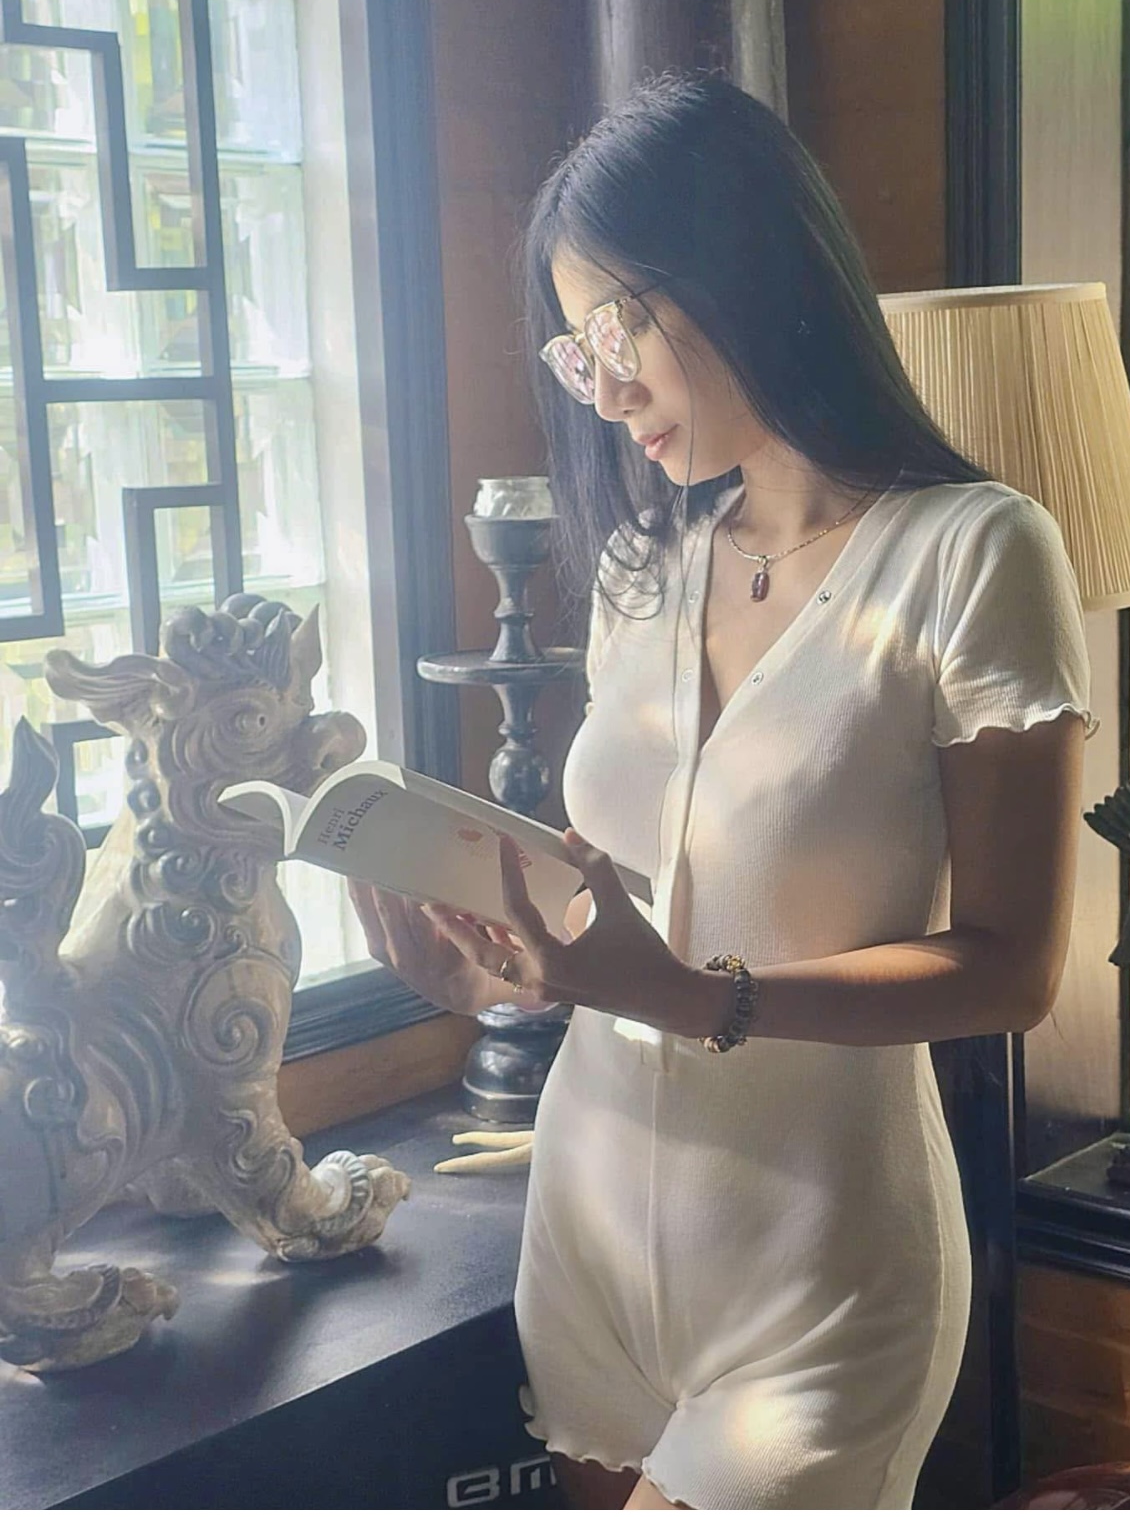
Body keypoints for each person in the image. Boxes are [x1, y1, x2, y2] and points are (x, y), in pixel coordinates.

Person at [350, 74, 1090, 1511]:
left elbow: (1014, 968)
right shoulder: (646, 564)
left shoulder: (975, 553)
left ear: (743, 268)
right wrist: (497, 970)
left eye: (617, 330)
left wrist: (700, 997)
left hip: (823, 1273)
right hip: (592, 1240)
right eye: (575, 350)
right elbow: (613, 917)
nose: (603, 389)